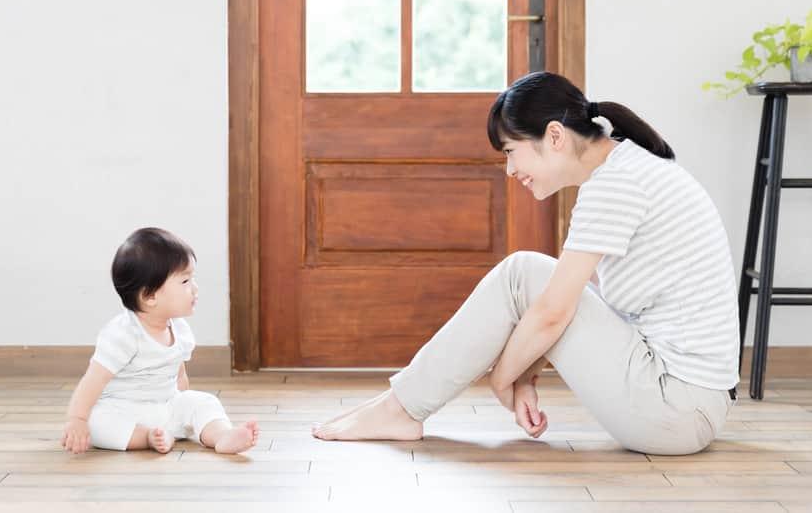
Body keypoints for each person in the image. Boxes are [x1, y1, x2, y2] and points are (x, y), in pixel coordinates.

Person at [312, 72, 739, 456]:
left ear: (554, 136)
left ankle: (400, 408)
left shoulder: (616, 185)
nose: (510, 169)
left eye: (512, 151)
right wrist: (526, 374)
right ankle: (398, 405)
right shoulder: (627, 168)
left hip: (676, 408)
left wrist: (504, 380)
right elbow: (569, 308)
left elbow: (554, 314)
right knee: (531, 276)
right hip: (687, 404)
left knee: (523, 274)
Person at [61, 227, 259, 455]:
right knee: (98, 423)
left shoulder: (180, 329)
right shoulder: (123, 333)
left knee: (204, 402)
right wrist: (77, 419)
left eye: (192, 279)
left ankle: (222, 435)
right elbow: (93, 380)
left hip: (166, 405)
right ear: (150, 296)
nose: (195, 288)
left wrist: (184, 405)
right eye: (185, 281)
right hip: (123, 410)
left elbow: (179, 373)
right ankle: (146, 437)